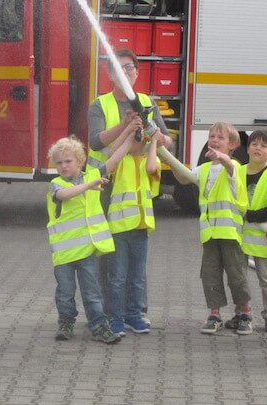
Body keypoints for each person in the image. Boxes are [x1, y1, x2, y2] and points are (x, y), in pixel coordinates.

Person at [87, 47, 173, 324]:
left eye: (130, 68)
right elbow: (95, 142)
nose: (126, 72)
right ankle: (108, 313)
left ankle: (137, 311)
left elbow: (167, 141)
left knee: (136, 261)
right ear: (110, 74)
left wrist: (154, 135)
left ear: (137, 72)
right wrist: (124, 126)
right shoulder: (100, 104)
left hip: (135, 187)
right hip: (104, 185)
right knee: (109, 257)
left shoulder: (147, 101)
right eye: (120, 68)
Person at [45, 127, 139, 344]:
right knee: (65, 293)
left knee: (92, 292)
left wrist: (130, 136)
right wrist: (89, 185)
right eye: (59, 163)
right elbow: (65, 195)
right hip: (64, 254)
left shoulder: (93, 176)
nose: (63, 166)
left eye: (68, 161)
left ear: (80, 161)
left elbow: (114, 160)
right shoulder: (56, 184)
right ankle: (66, 322)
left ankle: (99, 326)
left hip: (88, 250)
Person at [173, 122, 252, 335]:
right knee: (209, 275)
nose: (214, 140)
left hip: (230, 234)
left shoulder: (234, 167)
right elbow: (184, 177)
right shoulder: (205, 169)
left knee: (237, 275)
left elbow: (230, 167)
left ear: (232, 145)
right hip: (209, 234)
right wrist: (169, 158)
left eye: (220, 137)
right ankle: (215, 314)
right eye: (211, 136)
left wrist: (224, 158)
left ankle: (244, 312)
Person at [105, 123, 163, 336]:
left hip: (141, 228)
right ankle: (115, 318)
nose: (136, 138)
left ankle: (133, 315)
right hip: (120, 228)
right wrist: (128, 132)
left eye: (140, 136)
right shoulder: (121, 161)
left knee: (137, 277)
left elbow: (151, 169)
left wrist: (154, 140)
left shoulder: (152, 159)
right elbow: (112, 154)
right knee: (117, 277)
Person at [228, 130, 267, 333]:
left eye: (264, 146)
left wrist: (252, 216)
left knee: (266, 279)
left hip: (261, 237)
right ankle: (242, 312)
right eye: (254, 144)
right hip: (239, 235)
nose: (258, 148)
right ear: (247, 148)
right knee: (238, 277)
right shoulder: (237, 172)